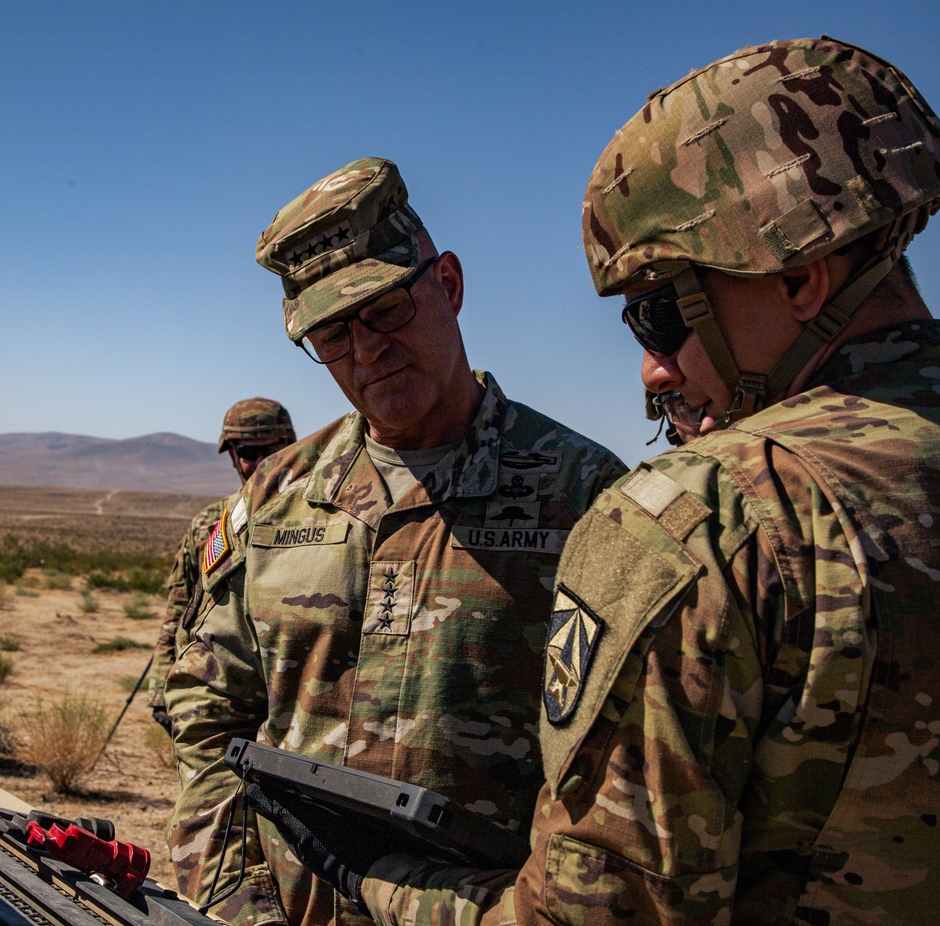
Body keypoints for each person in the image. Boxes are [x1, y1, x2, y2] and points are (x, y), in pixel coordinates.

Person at [324, 37, 940, 925]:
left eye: (661, 311)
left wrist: (389, 889)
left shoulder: (703, 524)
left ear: (799, 275)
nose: (651, 369)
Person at [164, 157, 627, 925]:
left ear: (447, 285)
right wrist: (237, 900)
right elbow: (210, 708)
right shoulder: (277, 495)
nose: (365, 350)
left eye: (384, 310)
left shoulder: (584, 494)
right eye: (333, 333)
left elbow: (612, 782)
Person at [146, 398, 296, 730]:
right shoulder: (210, 525)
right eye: (247, 453)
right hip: (219, 694)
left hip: (294, 696)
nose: (260, 464)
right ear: (231, 455)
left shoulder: (323, 519)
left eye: (269, 451)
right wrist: (160, 689)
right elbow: (180, 610)